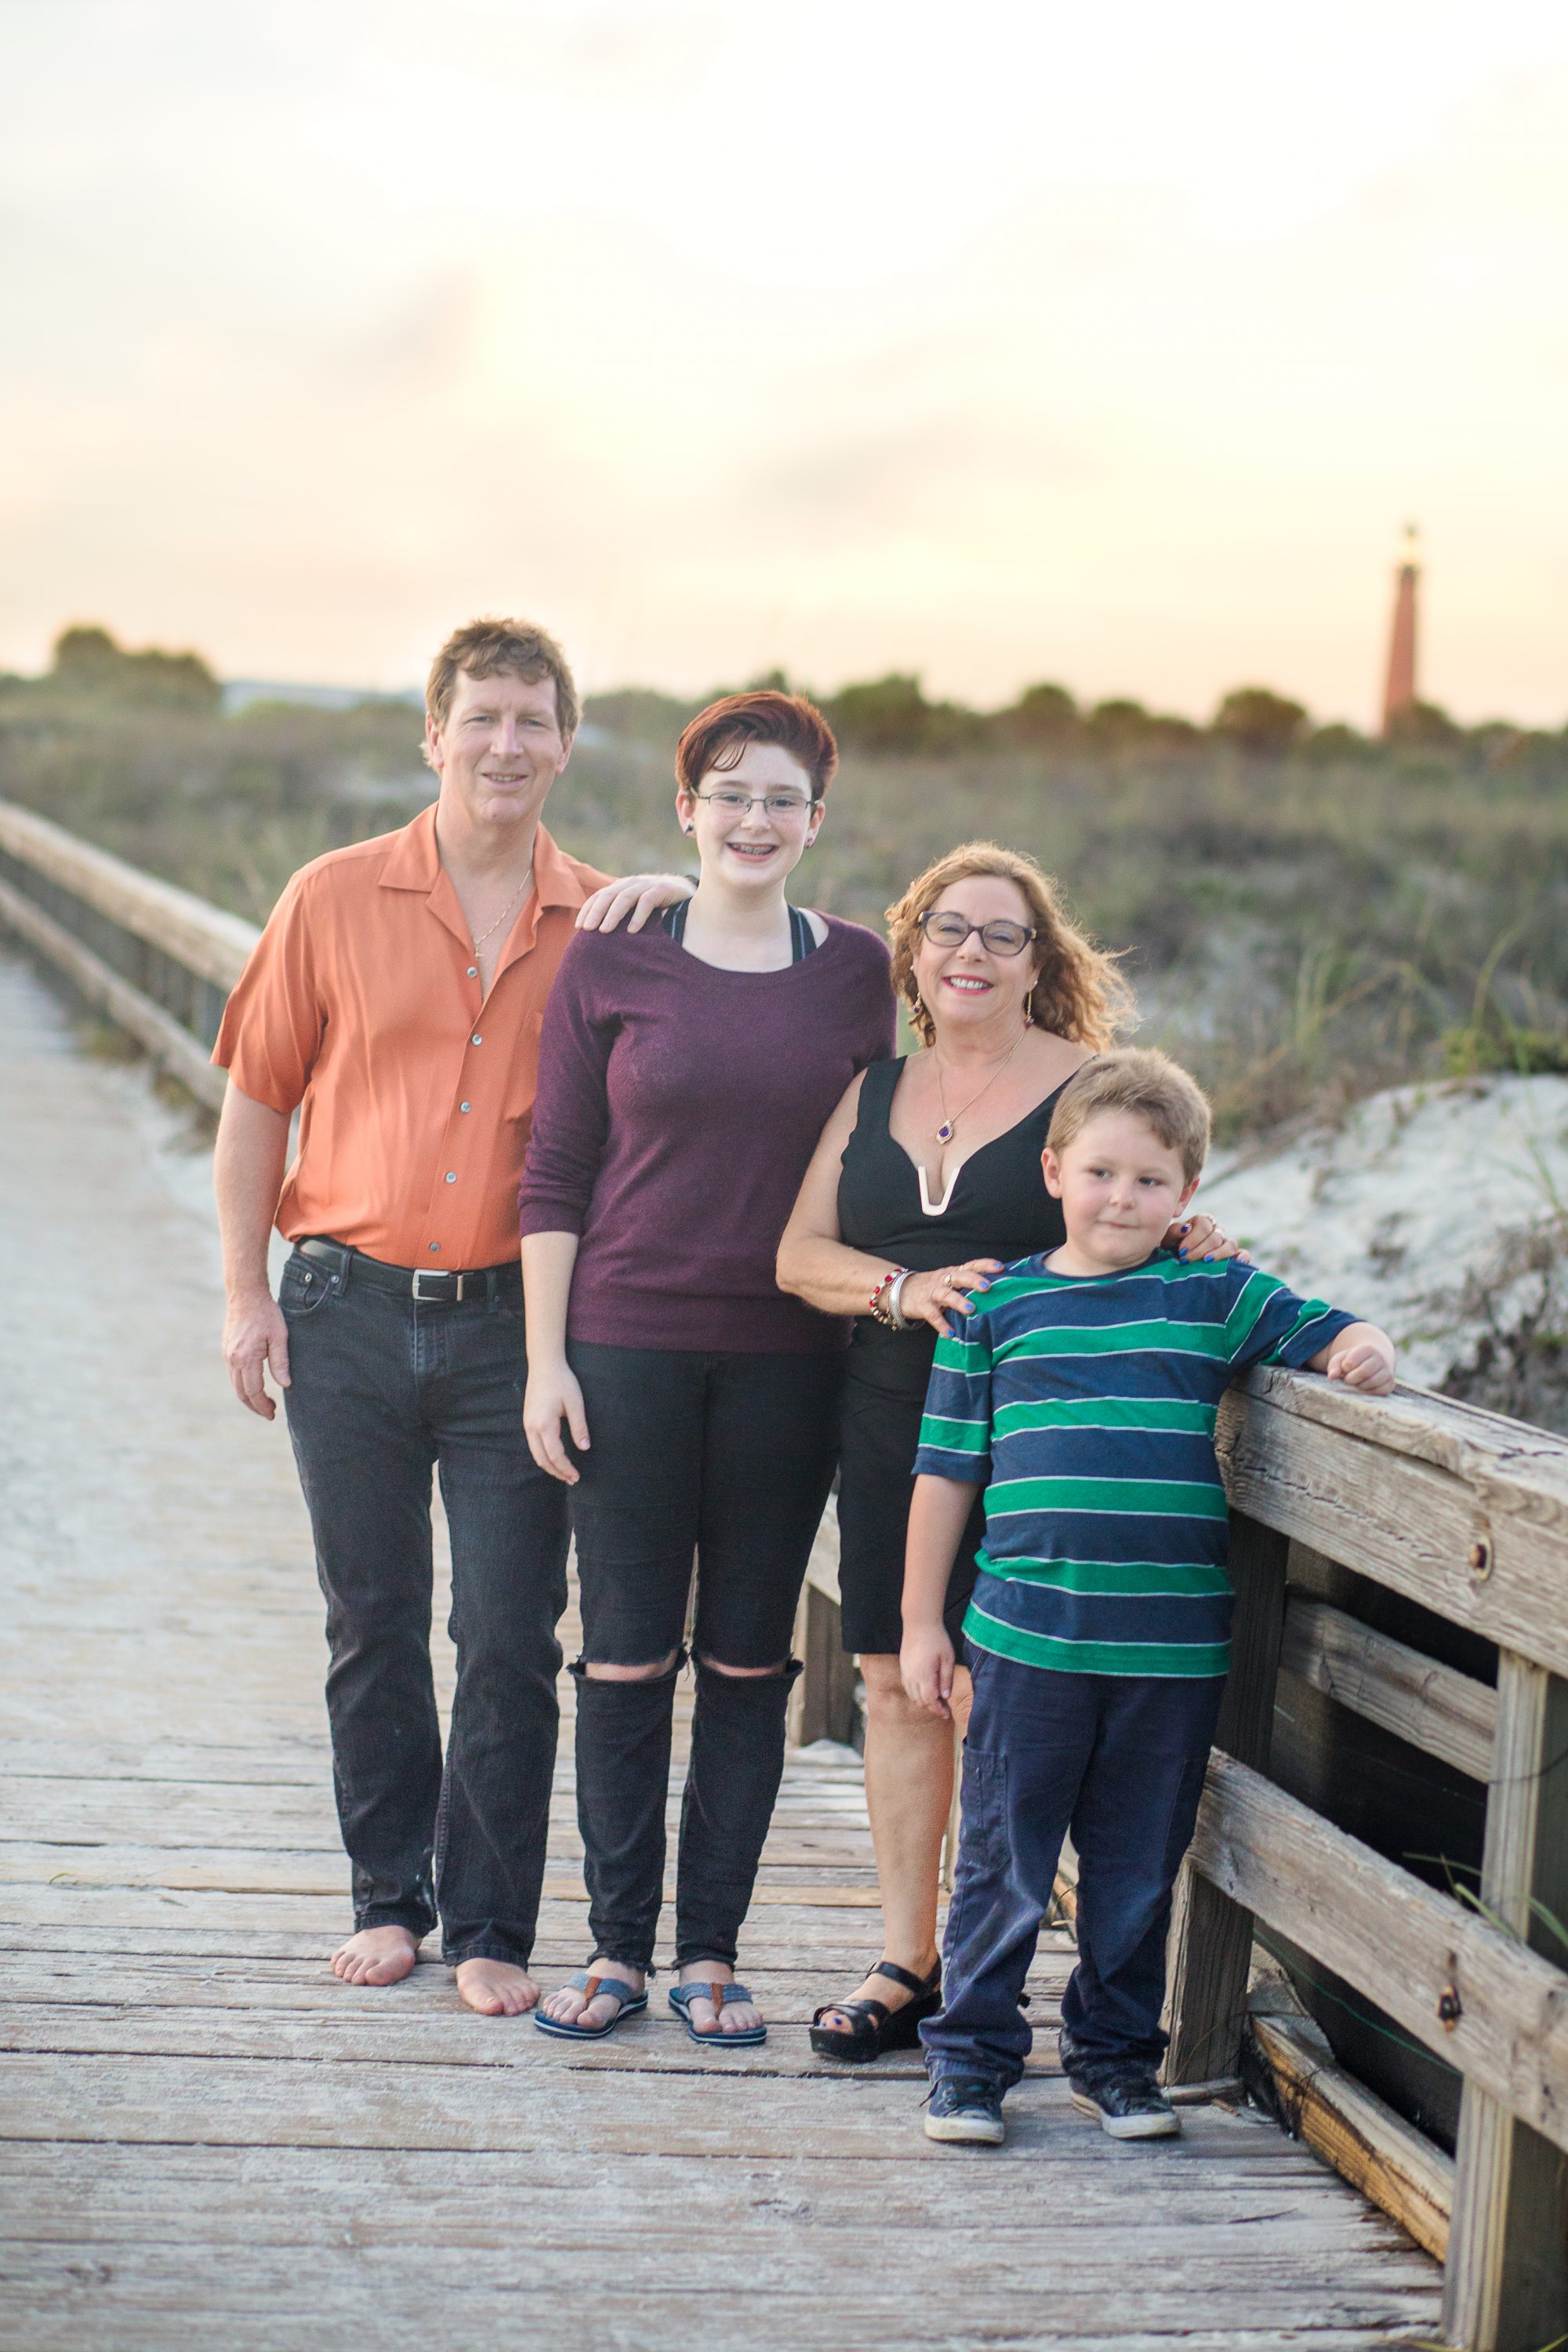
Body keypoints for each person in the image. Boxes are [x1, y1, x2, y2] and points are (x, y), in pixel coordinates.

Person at [212, 616, 690, 2015]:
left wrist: (679, 888)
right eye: (481, 717)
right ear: (435, 736)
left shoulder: (611, 922)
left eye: (534, 719)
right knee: (370, 1617)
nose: (507, 744)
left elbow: (741, 983)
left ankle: (490, 1923)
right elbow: (255, 1102)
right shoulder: (333, 896)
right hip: (345, 1306)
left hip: (514, 1333)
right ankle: (389, 1899)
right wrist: (246, 1293)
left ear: (565, 741)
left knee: (502, 1630)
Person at [775, 846, 1238, 2060]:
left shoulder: (1088, 1086)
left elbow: (1142, 1198)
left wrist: (1188, 1232)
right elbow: (795, 1257)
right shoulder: (875, 1090)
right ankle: (907, 1963)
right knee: (895, 1681)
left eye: (1002, 934)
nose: (970, 953)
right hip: (893, 1419)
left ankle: (1014, 1990)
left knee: (1011, 1702)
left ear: (1042, 961)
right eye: (948, 929)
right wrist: (900, 1286)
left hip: (1042, 1444)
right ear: (913, 950)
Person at [902, 1048, 1396, 2144]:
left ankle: (1117, 2061)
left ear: (1187, 1198)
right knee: (1004, 1865)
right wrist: (919, 1622)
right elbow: (945, 1476)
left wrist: (1366, 1346)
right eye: (1102, 1173)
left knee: (1135, 1873)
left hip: (1169, 1650)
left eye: (1150, 1181)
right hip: (1026, 1641)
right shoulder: (997, 1307)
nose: (1122, 1198)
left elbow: (1325, 1326)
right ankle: (972, 2064)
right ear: (1053, 1171)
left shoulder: (1209, 1294)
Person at [519, 690, 895, 2044]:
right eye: (727, 792)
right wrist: (544, 1360)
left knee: (747, 1667)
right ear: (687, 809)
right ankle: (616, 1951)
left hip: (792, 1361)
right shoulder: (616, 955)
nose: (754, 818)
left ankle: (711, 1956)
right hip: (623, 1345)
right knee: (621, 1659)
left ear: (815, 820)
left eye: (781, 797)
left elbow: (901, 1157)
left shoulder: (857, 969)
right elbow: (555, 1167)